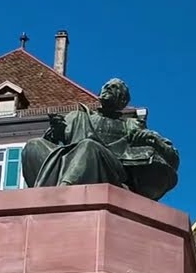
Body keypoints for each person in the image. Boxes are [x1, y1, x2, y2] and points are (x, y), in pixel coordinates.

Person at [21, 79, 179, 200]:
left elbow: (173, 157)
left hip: (111, 172)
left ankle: (63, 196)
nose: (108, 88)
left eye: (115, 88)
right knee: (33, 145)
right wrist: (57, 131)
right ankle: (41, 198)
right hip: (70, 160)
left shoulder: (130, 124)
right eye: (106, 86)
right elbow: (55, 141)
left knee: (89, 146)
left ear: (123, 101)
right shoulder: (78, 116)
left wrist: (153, 140)